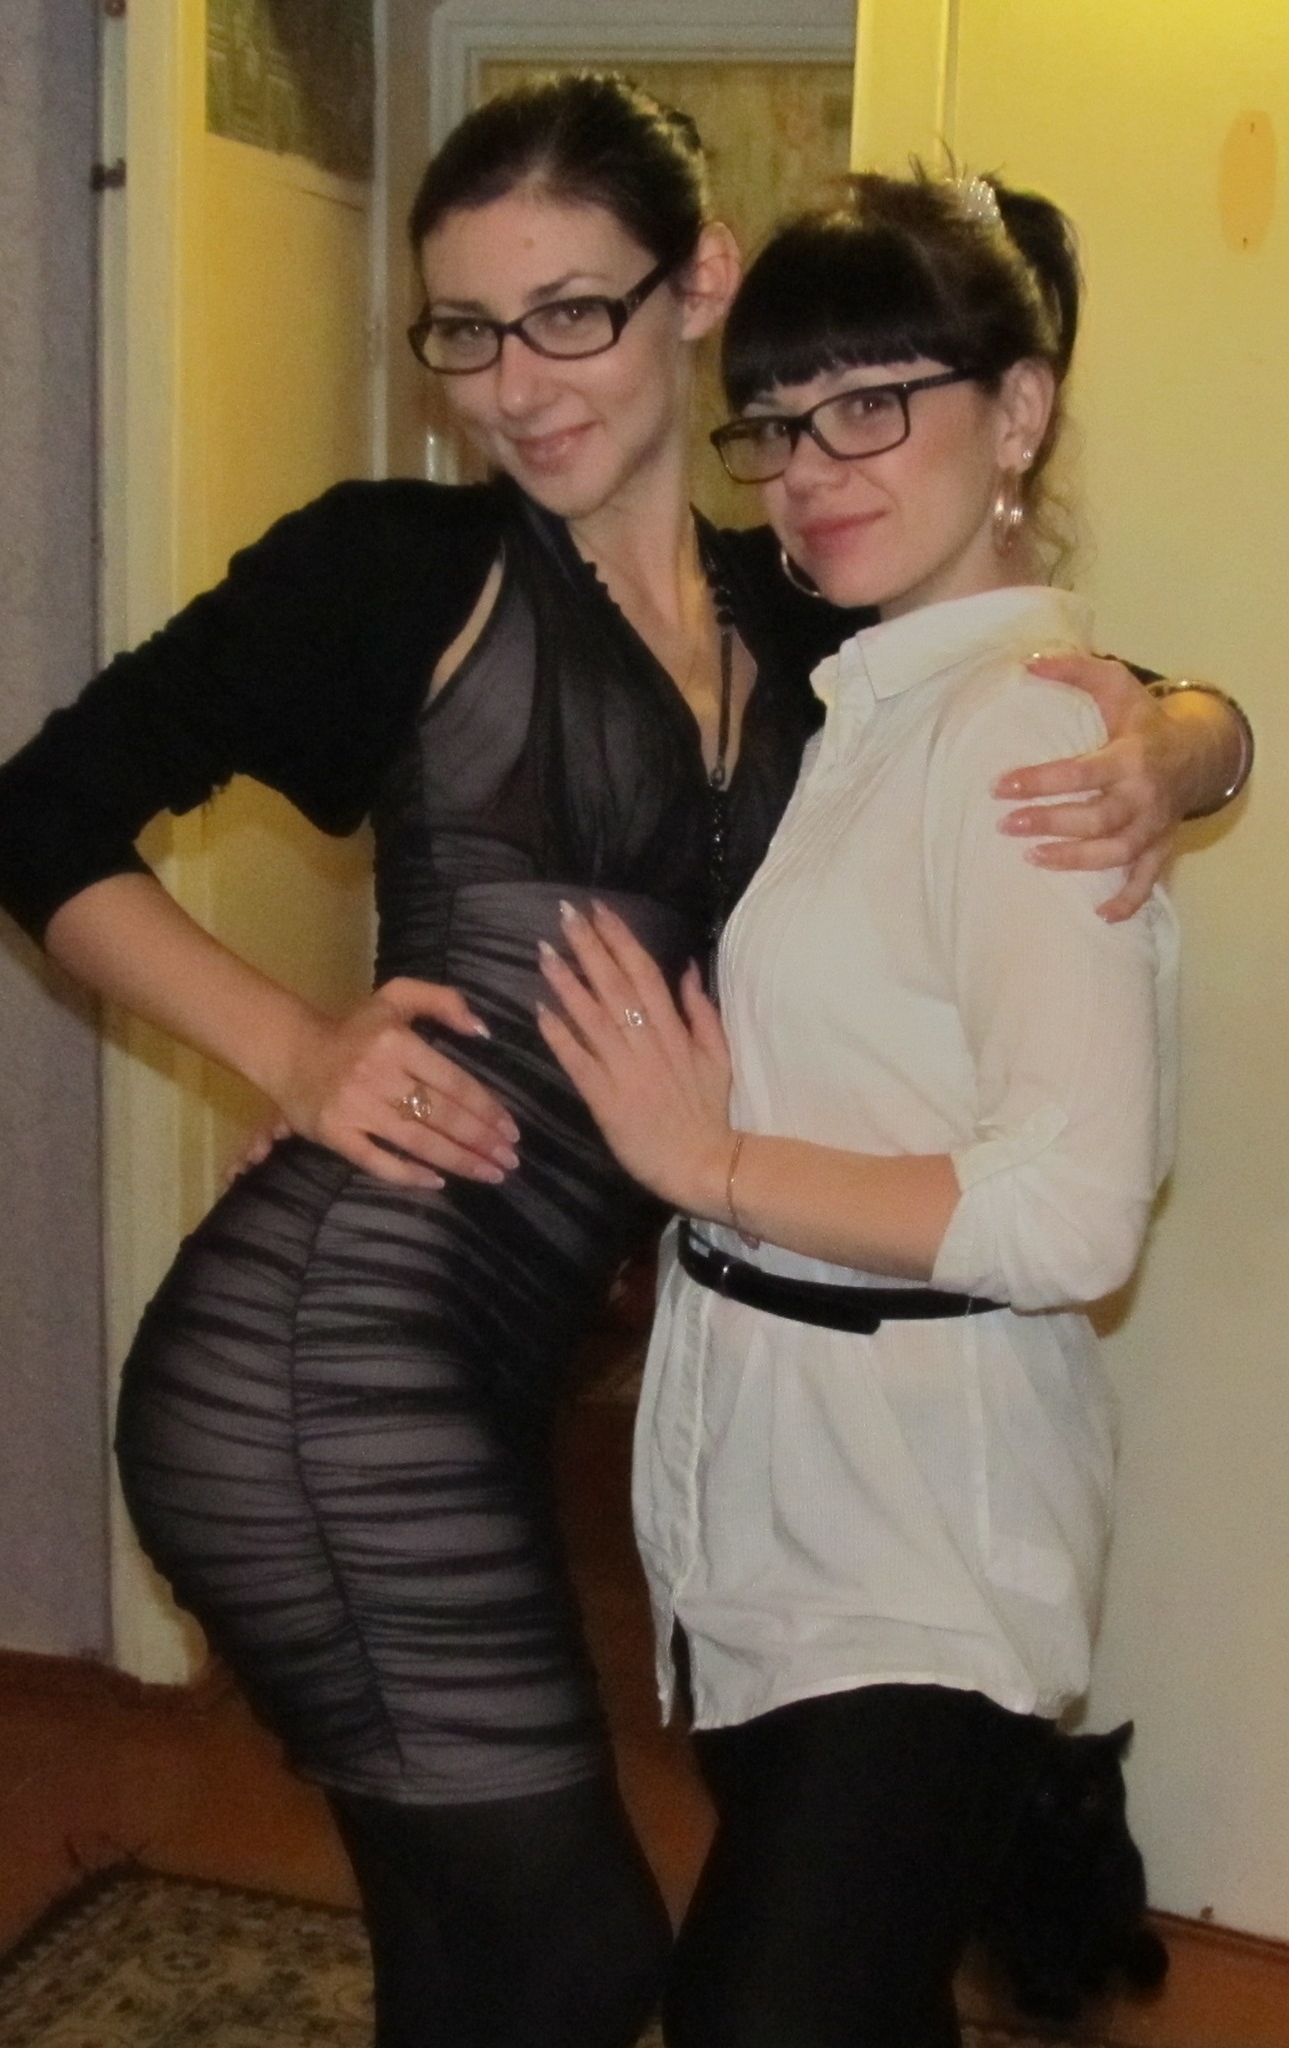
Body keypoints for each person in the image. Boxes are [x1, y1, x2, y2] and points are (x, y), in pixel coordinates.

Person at [0, 75, 1241, 2048]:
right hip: (321, 1370)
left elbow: (1065, 689)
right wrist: (288, 1047)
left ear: (695, 285)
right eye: (466, 330)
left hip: (498, 1366)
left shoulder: (801, 608)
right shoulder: (394, 569)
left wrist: (1191, 739)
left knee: (475, 1955)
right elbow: (34, 815)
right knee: (570, 1962)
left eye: (571, 311)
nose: (516, 383)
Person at [537, 169, 1192, 2048]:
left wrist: (712, 1161)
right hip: (772, 1498)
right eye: (776, 421)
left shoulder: (1020, 736)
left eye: (872, 404)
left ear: (1019, 410)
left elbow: (1072, 1210)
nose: (811, 468)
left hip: (915, 1539)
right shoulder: (877, 702)